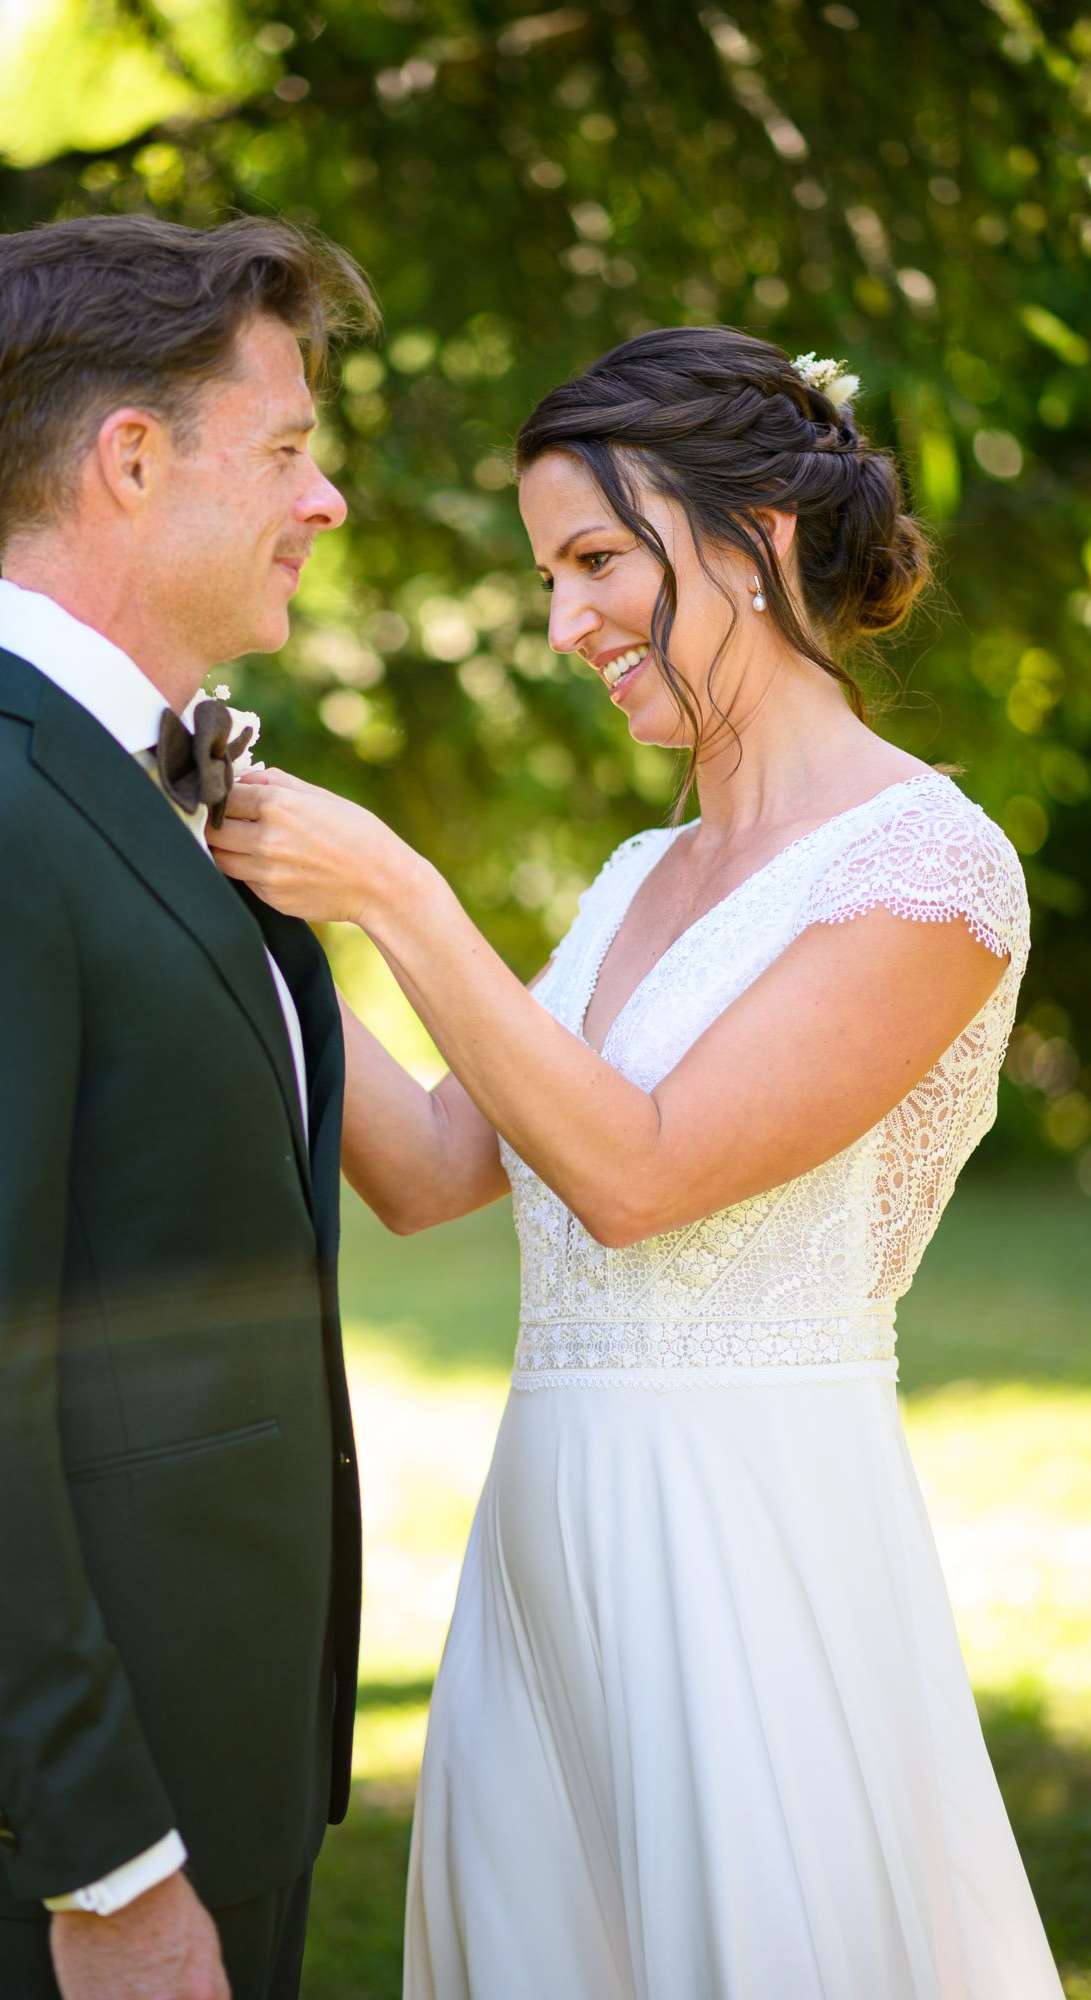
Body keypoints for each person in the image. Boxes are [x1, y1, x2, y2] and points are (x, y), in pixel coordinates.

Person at [211, 327, 1063, 1997]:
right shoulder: (635, 872)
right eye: (547, 576)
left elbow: (641, 1174)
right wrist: (255, 908)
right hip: (550, 1527)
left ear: (755, 541)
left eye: (595, 560)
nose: (564, 625)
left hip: (749, 1535)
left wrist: (393, 888)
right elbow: (440, 1164)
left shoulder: (929, 868)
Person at [0, 213, 373, 2000]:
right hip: (82, 1829)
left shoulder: (175, 787)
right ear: (131, 460)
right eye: (284, 447)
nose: (322, 498)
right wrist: (107, 1865)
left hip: (237, 1757)